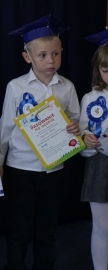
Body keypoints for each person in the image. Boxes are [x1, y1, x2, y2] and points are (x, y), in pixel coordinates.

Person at [0, 15, 82, 270]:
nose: (50, 60)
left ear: (62, 52)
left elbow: (76, 120)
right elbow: (5, 128)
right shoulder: (16, 87)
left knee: (47, 228)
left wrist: (75, 128)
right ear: (27, 57)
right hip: (20, 169)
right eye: (42, 55)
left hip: (54, 169)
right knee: (19, 228)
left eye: (55, 54)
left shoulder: (67, 87)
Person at [79, 29, 108, 270]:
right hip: (100, 164)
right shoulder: (90, 98)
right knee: (101, 226)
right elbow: (81, 130)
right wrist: (85, 139)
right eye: (106, 69)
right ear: (99, 70)